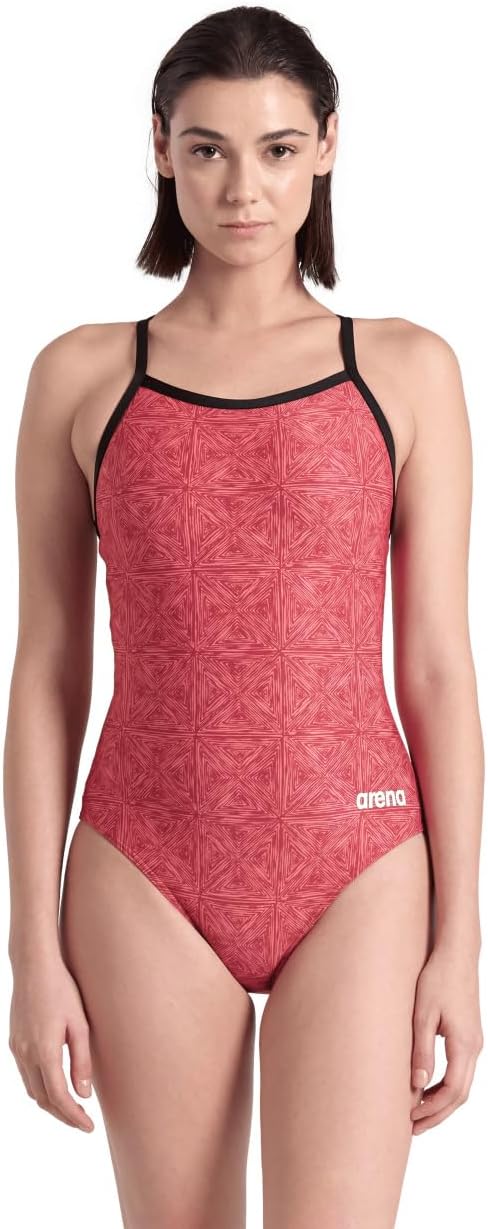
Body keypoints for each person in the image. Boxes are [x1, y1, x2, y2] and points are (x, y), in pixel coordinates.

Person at [4, 6, 484, 1228]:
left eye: (274, 149)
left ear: (326, 145)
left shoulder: (404, 368)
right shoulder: (82, 375)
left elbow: (436, 666)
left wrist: (460, 942)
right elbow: (48, 668)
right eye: (206, 149)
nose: (240, 189)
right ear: (159, 148)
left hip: (360, 856)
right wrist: (29, 950)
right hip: (143, 860)